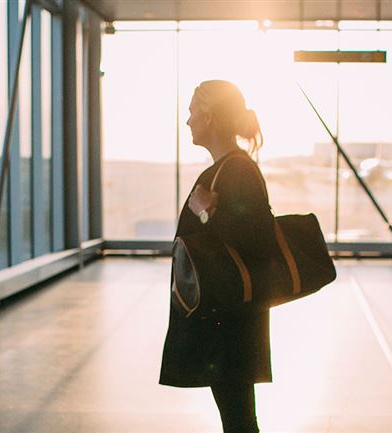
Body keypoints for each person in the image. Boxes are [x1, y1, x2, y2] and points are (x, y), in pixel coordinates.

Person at [159, 80, 277, 433]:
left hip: (230, 323)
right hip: (226, 319)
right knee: (238, 417)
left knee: (239, 419)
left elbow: (256, 239)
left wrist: (206, 211)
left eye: (192, 111)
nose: (188, 120)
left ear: (209, 117)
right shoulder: (230, 168)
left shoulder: (237, 170)